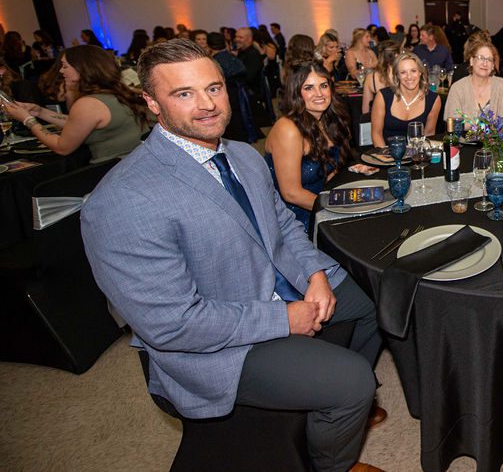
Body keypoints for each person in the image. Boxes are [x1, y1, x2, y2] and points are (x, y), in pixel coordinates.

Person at [79, 40, 385, 472]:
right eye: (184, 93)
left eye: (213, 88)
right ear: (152, 102)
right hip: (217, 346)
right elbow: (173, 324)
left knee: (374, 303)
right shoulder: (122, 200)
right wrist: (285, 318)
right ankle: (332, 461)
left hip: (276, 287)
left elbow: (283, 227)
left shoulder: (242, 154)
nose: (207, 104)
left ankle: (334, 417)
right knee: (353, 382)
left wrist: (315, 274)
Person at [2, 45, 148, 163]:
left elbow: (62, 147)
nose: (61, 70)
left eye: (65, 66)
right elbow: (79, 123)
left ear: (81, 68)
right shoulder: (114, 93)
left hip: (112, 172)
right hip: (135, 164)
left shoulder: (88, 103)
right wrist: (40, 112)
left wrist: (28, 120)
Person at [265, 62, 353, 235]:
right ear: (296, 93)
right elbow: (291, 193)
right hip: (293, 219)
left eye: (323, 86)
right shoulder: (288, 129)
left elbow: (328, 171)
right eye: (309, 88)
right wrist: (337, 209)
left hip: (319, 203)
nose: (319, 93)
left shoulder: (327, 120)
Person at [370, 52, 441, 147]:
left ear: (420, 72)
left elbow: (429, 135)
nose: (409, 76)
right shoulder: (383, 96)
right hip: (386, 153)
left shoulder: (433, 99)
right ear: (397, 75)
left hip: (417, 153)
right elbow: (376, 134)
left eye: (413, 71)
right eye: (403, 72)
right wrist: (384, 155)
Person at [443, 40, 503, 121]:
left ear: (493, 65)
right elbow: (452, 122)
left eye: (489, 59)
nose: (485, 63)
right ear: (471, 61)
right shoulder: (457, 88)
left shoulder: (501, 86)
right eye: (480, 58)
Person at [362, 40, 399, 116]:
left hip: (378, 120)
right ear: (396, 55)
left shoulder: (371, 78)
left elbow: (365, 111)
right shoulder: (405, 76)